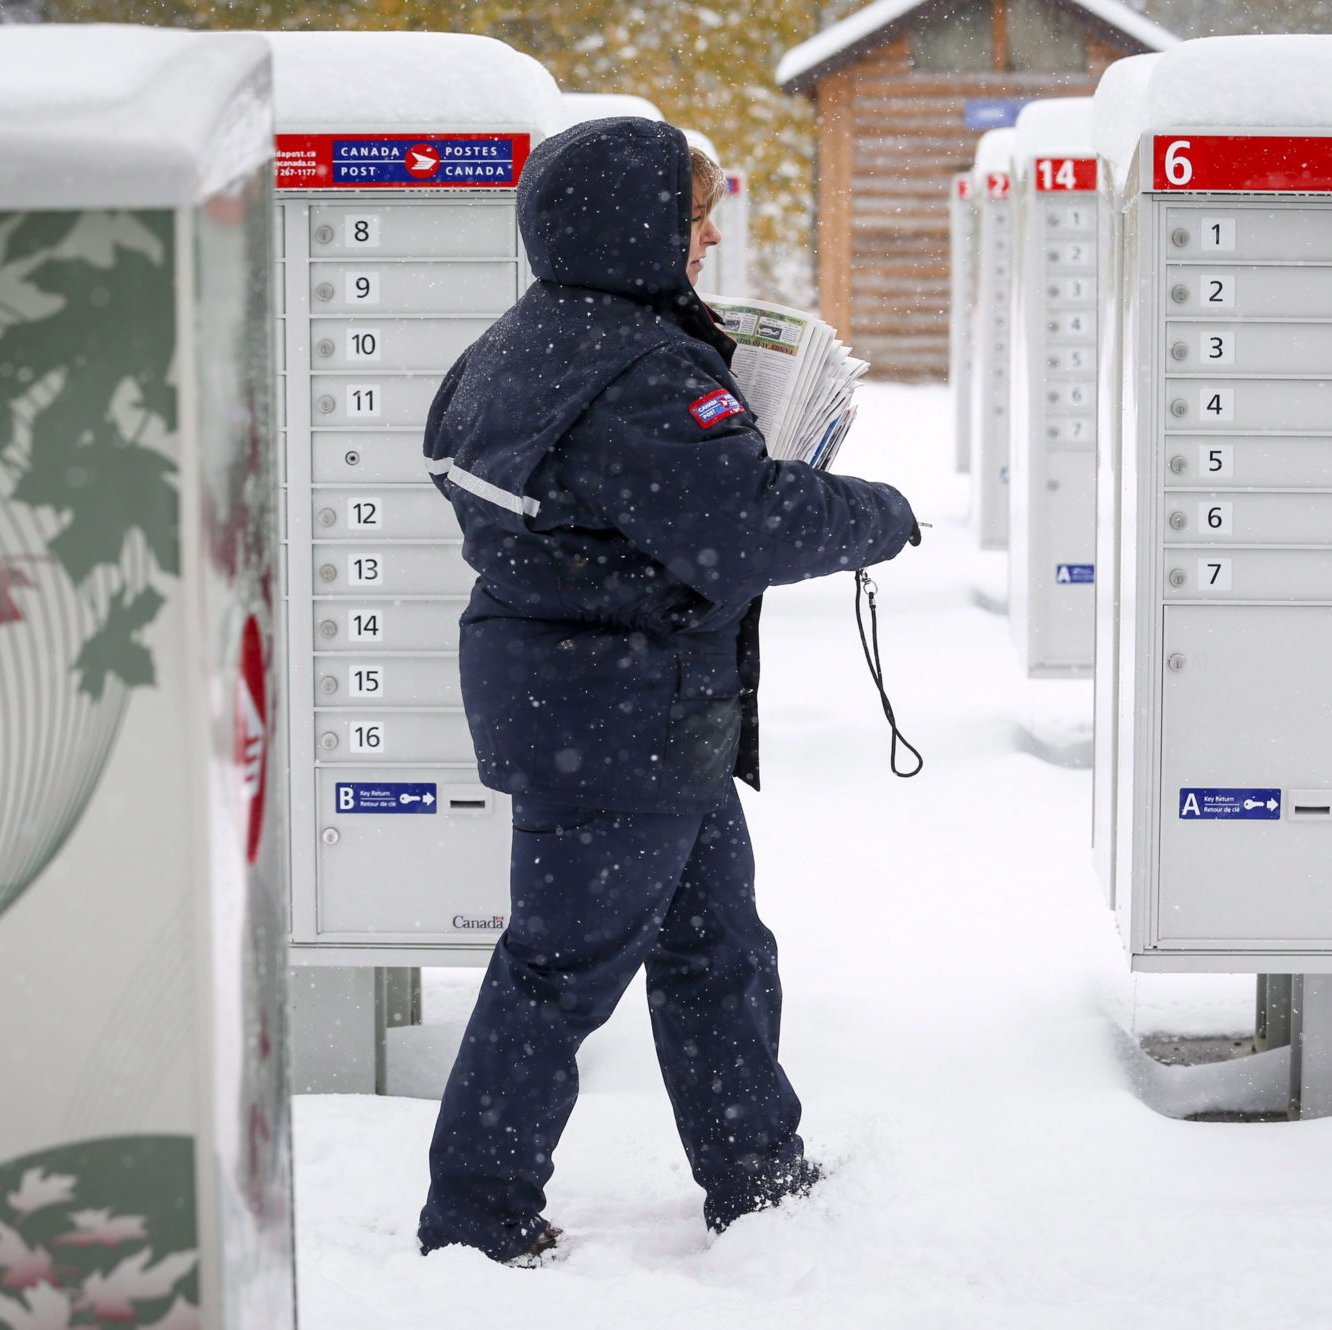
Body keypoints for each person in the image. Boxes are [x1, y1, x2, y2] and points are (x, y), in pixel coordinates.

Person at [415, 117, 918, 1266]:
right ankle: (476, 1218)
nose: (705, 241)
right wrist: (881, 515)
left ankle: (755, 1171)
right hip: (619, 720)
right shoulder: (638, 371)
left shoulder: (528, 338)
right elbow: (742, 523)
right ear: (630, 226)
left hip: (615, 708)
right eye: (691, 220)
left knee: (716, 950)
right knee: (556, 974)